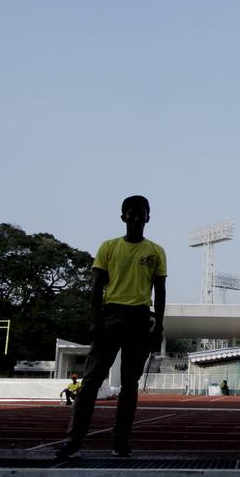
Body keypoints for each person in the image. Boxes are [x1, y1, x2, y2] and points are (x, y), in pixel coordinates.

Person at [55, 195, 167, 459]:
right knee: (92, 380)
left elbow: (160, 292)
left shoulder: (156, 251)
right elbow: (95, 288)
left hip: (140, 319)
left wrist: (158, 327)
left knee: (130, 385)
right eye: (131, 212)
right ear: (123, 217)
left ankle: (120, 442)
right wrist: (95, 321)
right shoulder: (108, 247)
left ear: (149, 217)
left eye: (142, 212)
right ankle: (73, 439)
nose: (137, 217)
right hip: (111, 316)